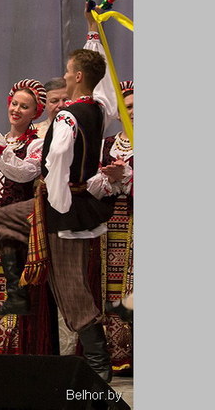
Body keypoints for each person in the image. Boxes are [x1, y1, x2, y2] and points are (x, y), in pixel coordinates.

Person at [23, 5, 119, 381]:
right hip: (75, 204)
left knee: (70, 283)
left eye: (67, 71)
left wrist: (56, 202)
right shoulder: (99, 107)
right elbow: (103, 80)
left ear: (77, 77)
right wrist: (92, 31)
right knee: (2, 221)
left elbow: (57, 160)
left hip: (63, 206)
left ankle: (97, 359)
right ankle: (20, 277)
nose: (64, 76)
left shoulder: (67, 116)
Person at [0, 79, 59, 354]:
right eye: (14, 104)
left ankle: (19, 348)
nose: (16, 110)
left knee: (16, 282)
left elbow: (25, 174)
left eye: (24, 106)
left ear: (35, 112)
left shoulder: (37, 144)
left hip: (20, 223)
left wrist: (1, 149)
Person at [89, 80, 134, 374]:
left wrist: (126, 176)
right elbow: (92, 186)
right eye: (128, 107)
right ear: (118, 113)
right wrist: (109, 178)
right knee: (109, 286)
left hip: (135, 222)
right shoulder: (105, 144)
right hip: (108, 225)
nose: (133, 112)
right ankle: (112, 354)